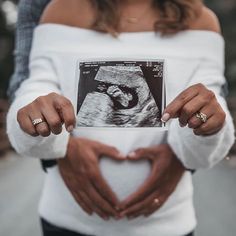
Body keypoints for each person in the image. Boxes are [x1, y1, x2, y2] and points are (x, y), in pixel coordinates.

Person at [7, 1, 235, 236]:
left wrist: (208, 125)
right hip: (68, 219)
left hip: (165, 224)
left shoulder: (200, 21)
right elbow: (36, 87)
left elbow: (210, 104)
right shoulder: (60, 10)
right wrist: (36, 115)